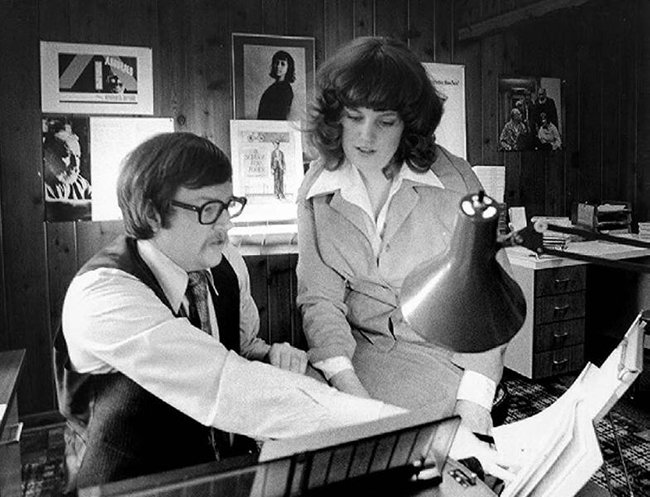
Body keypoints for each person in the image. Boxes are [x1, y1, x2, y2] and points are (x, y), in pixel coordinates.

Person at [53, 132, 410, 489]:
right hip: (125, 485)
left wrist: (272, 355)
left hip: (216, 473)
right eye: (209, 209)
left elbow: (238, 348)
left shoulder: (227, 263)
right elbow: (226, 384)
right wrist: (392, 427)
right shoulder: (103, 296)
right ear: (152, 213)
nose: (226, 224)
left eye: (228, 205)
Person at [297, 37, 514, 441]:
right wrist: (351, 392)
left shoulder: (457, 182)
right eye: (353, 116)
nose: (365, 136)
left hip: (442, 357)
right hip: (357, 354)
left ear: (409, 124)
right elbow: (319, 299)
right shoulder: (315, 189)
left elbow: (490, 306)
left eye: (386, 121)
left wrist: (474, 406)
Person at [42, 119, 92, 221]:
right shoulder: (41, 185)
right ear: (49, 157)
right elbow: (52, 209)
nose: (75, 164)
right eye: (67, 156)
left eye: (77, 156)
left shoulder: (81, 184)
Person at [257, 50, 295, 120]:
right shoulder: (271, 88)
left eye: (282, 64)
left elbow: (281, 115)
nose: (278, 66)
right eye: (276, 63)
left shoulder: (286, 89)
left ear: (288, 68)